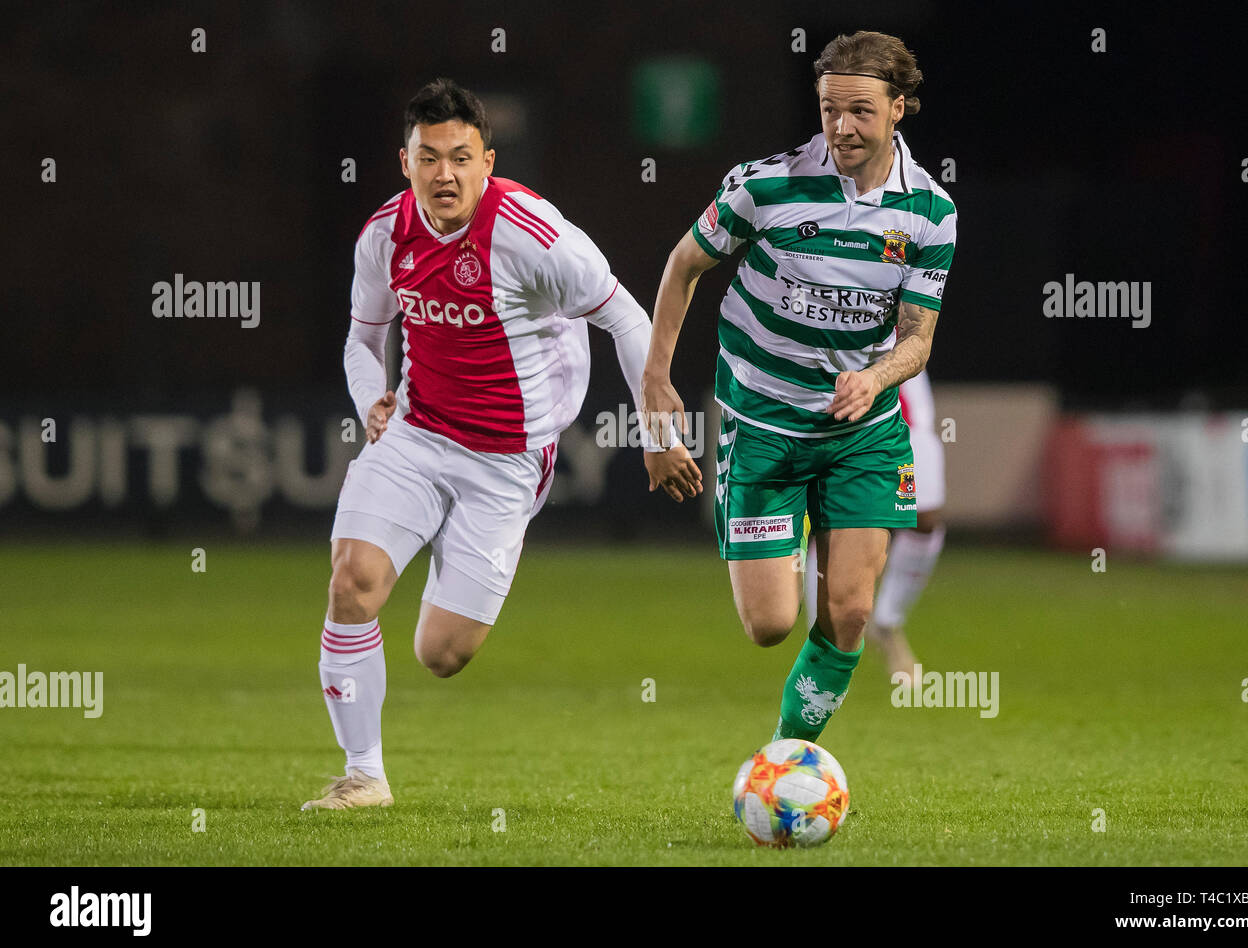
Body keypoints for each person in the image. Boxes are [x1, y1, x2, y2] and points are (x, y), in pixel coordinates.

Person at [303, 78, 699, 809]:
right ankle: (364, 775)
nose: (444, 174)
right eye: (429, 157)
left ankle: (450, 570)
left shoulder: (532, 232)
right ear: (405, 162)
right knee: (352, 579)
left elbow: (628, 319)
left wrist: (657, 435)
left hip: (510, 458)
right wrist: (373, 402)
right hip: (417, 432)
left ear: (488, 161)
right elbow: (364, 337)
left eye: (460, 157)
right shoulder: (384, 235)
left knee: (441, 655)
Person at [641, 31, 956, 742]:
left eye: (861, 111)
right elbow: (683, 265)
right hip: (763, 424)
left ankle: (788, 759)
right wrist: (656, 381)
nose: (842, 126)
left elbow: (918, 338)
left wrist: (873, 378)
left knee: (848, 612)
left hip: (862, 432)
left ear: (899, 108)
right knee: (770, 625)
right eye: (828, 109)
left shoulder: (931, 214)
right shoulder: (765, 184)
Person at [804, 369, 946, 686]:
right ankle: (822, 645)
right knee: (833, 520)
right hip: (837, 387)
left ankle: (888, 622)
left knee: (926, 518)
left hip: (903, 398)